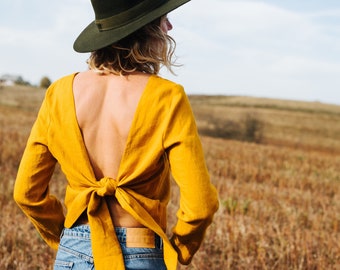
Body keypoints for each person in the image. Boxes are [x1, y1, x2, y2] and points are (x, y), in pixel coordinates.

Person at [13, 0, 219, 269]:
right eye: (162, 18)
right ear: (145, 31)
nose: (169, 26)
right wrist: (179, 248)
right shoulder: (167, 97)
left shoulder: (59, 93)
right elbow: (201, 204)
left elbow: (26, 193)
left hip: (72, 254)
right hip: (141, 250)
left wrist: (68, 238)